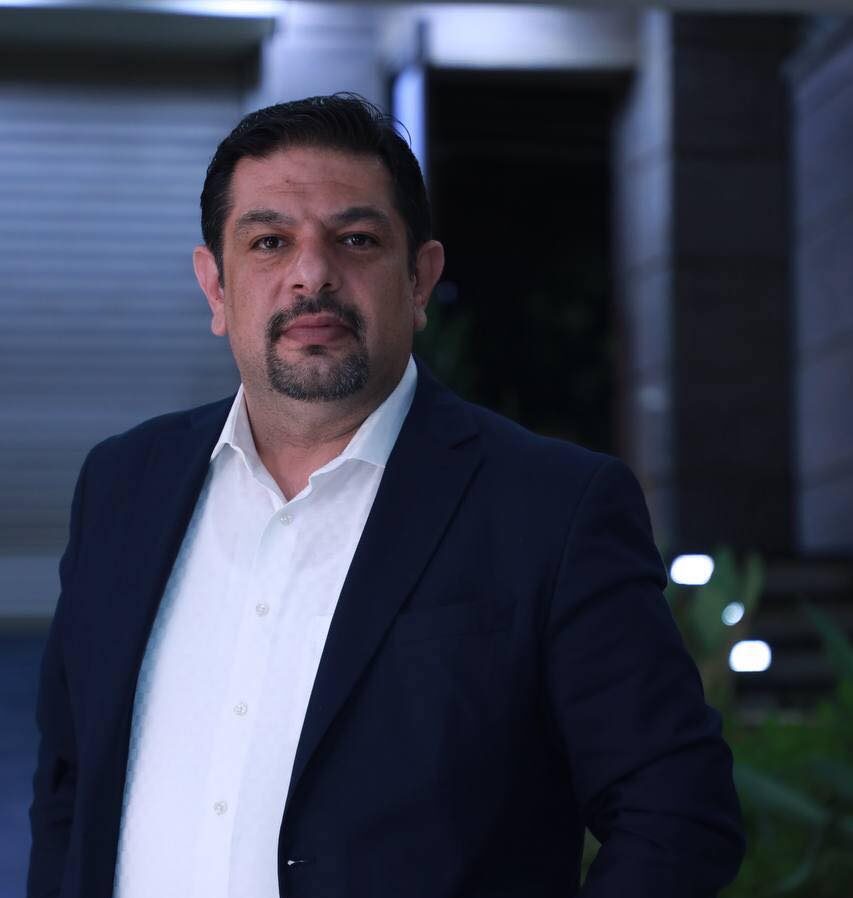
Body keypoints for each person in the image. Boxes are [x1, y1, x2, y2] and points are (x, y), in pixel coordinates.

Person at [28, 93, 744, 898]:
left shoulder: (552, 510)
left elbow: (677, 815)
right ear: (215, 288)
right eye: (269, 242)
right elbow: (70, 788)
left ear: (419, 279)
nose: (311, 274)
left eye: (355, 239)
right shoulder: (123, 486)